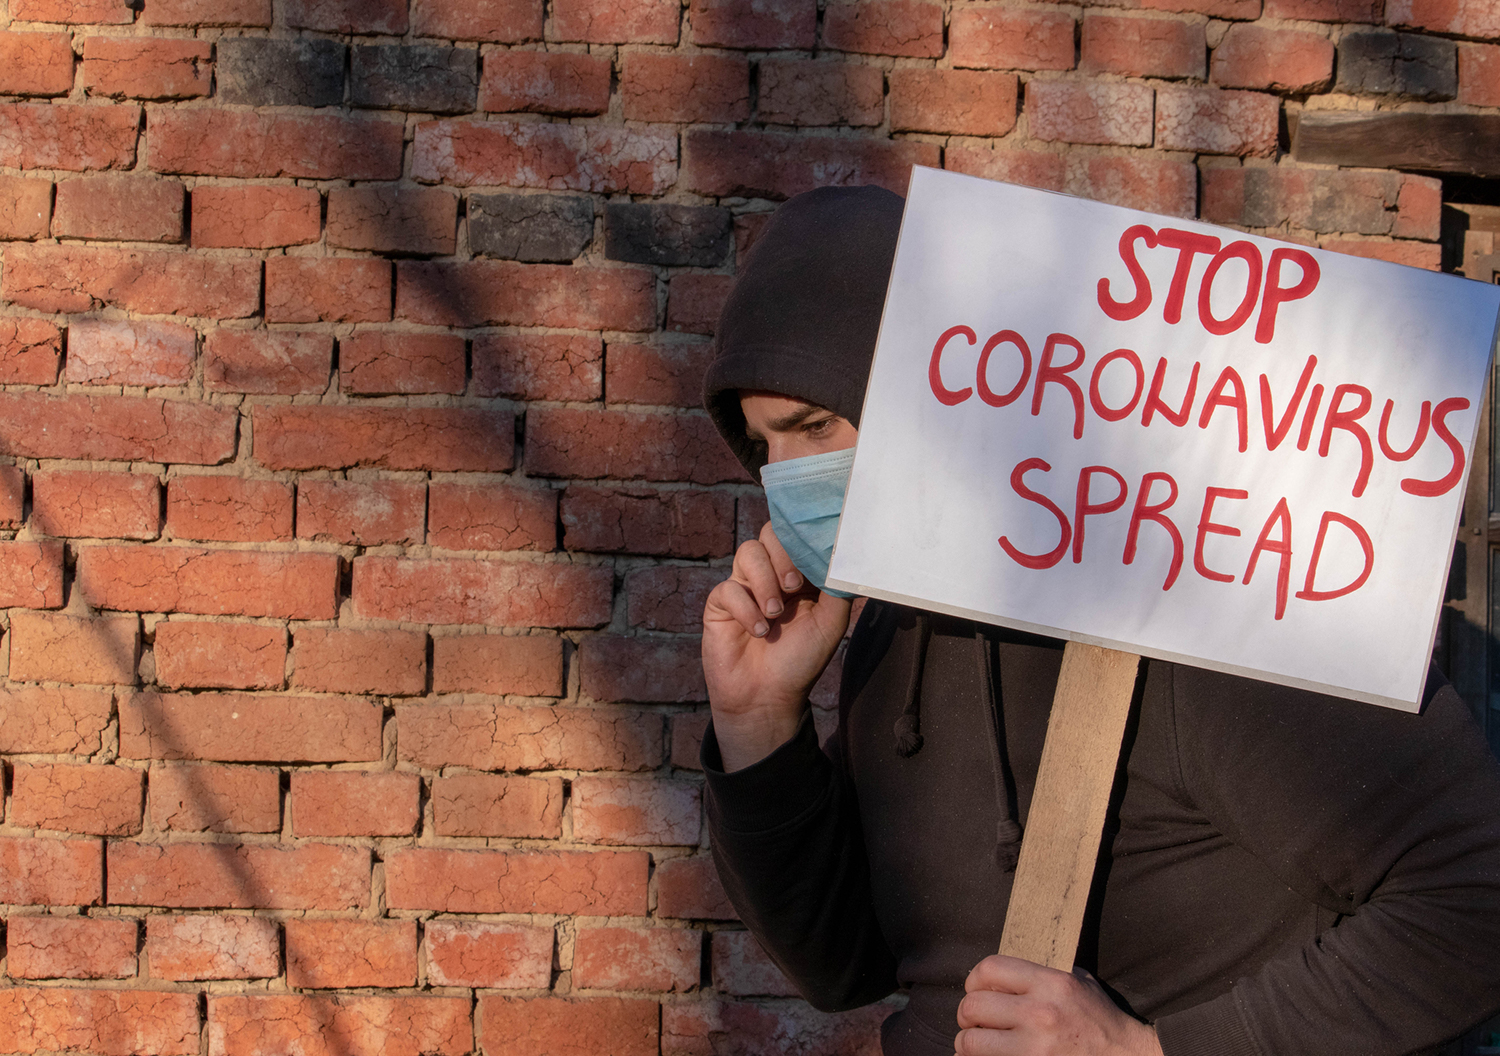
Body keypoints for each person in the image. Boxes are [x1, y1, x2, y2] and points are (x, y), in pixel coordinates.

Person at [699, 185, 1500, 1056]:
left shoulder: (1207, 597)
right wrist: (759, 728)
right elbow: (844, 965)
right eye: (763, 446)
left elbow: (1476, 897)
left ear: (917, 382)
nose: (783, 480)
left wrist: (1148, 1052)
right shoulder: (896, 624)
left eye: (813, 425)